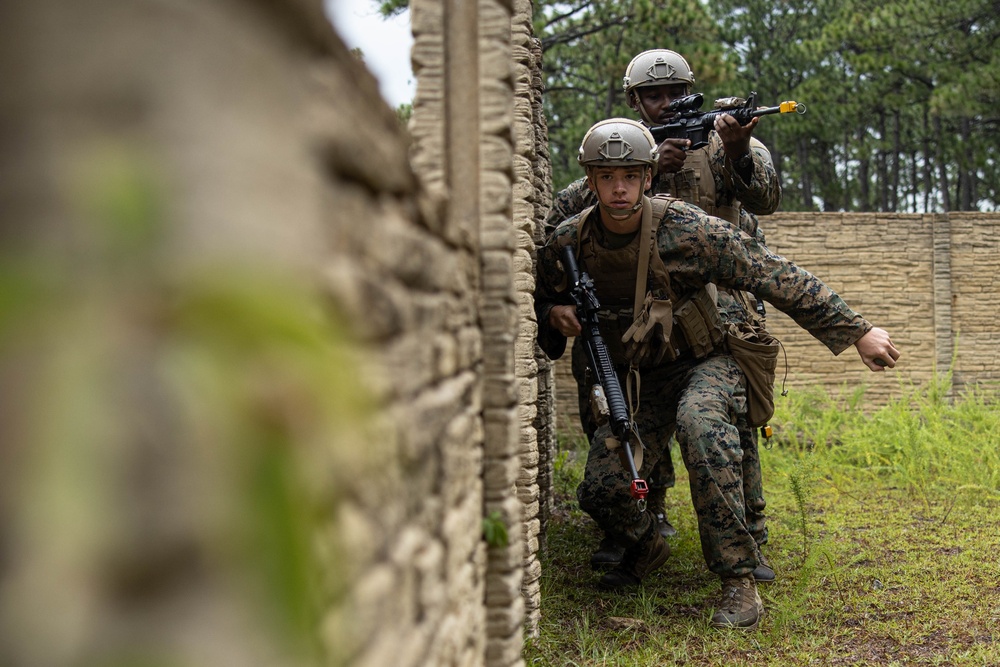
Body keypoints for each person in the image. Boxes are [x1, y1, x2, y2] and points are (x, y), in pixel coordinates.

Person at [535, 118, 899, 629]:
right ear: (590, 182)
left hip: (708, 360)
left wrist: (856, 331)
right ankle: (647, 545)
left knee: (701, 424)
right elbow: (540, 295)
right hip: (642, 377)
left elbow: (773, 273)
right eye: (606, 176)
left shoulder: (686, 229)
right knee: (600, 488)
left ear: (646, 177)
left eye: (630, 176)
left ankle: (738, 581)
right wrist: (553, 313)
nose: (619, 189)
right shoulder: (568, 243)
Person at [546, 49, 779, 579]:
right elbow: (564, 219)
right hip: (635, 312)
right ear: (635, 101)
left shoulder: (724, 141)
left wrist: (738, 149)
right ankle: (638, 515)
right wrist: (648, 168)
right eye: (655, 95)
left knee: (723, 419)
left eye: (676, 92)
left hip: (720, 302)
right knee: (609, 400)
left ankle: (748, 528)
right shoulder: (622, 150)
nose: (667, 102)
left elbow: (764, 199)